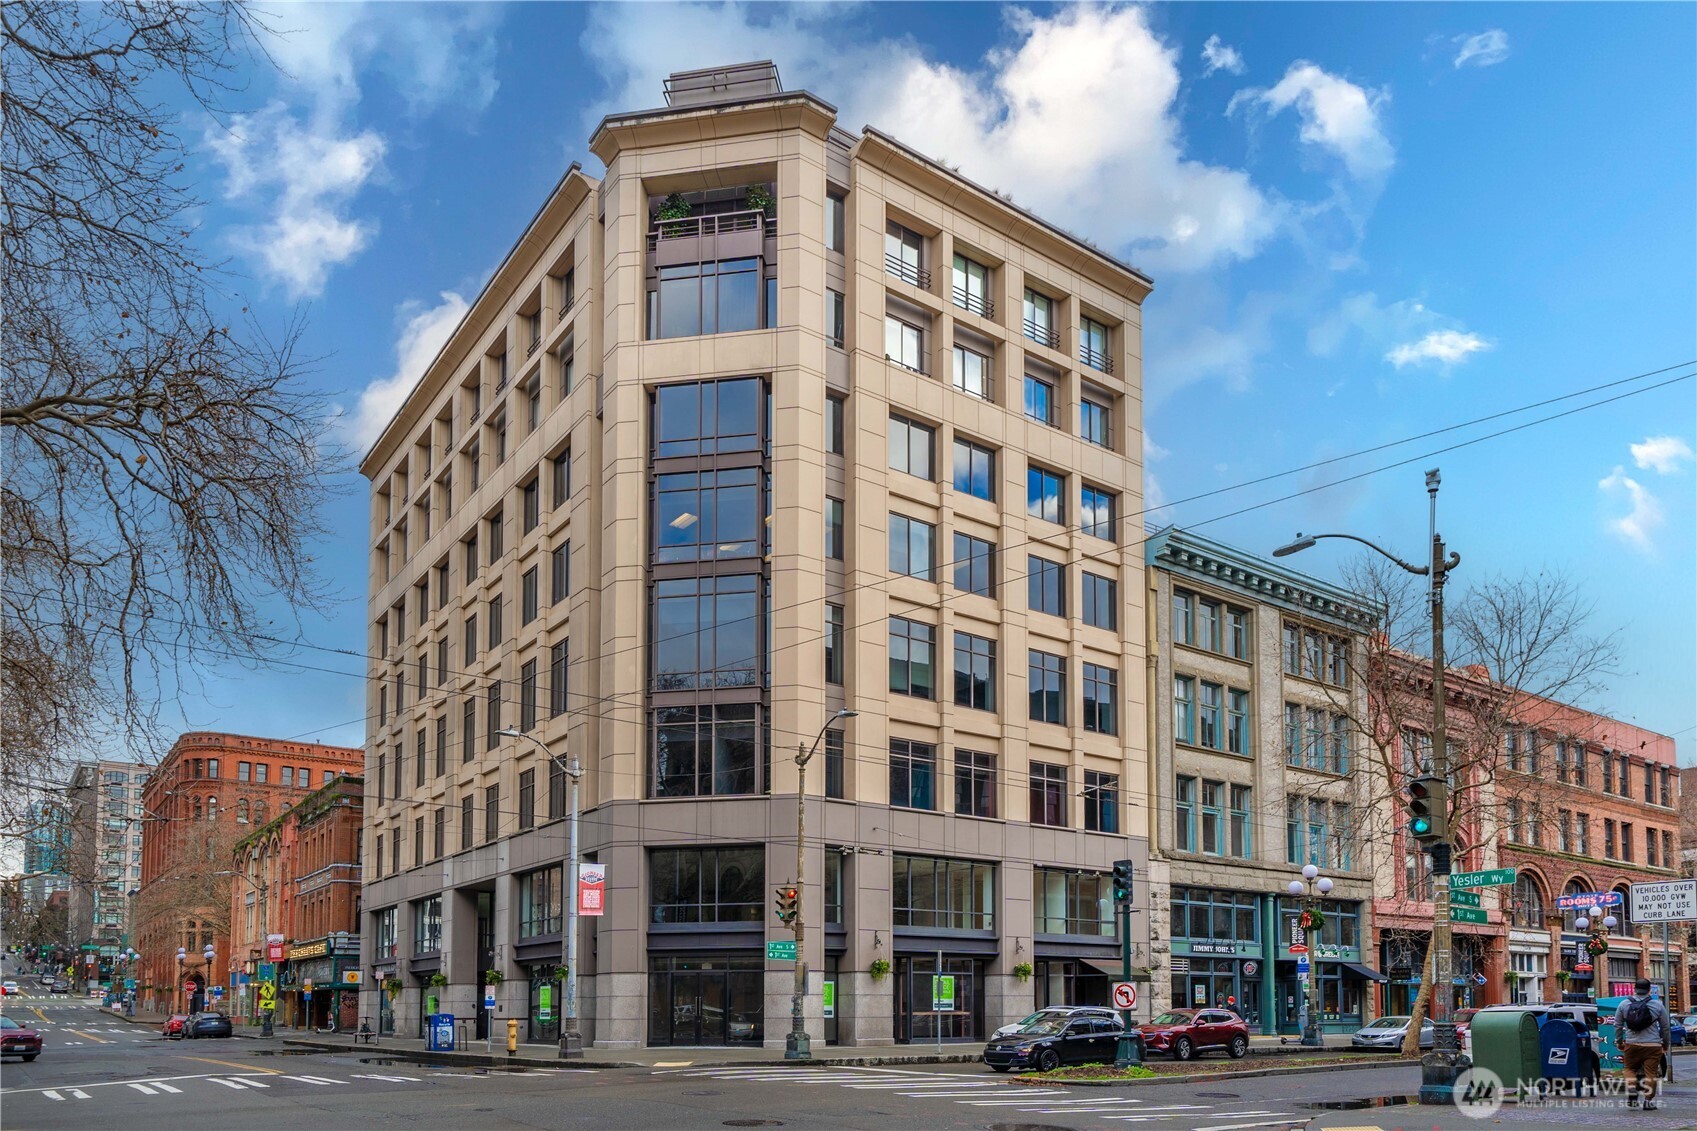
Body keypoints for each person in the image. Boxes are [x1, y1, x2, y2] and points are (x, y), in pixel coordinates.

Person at [1616, 978, 1672, 1110]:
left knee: (1629, 1068)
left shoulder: (1624, 1004)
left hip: (1632, 1043)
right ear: (1649, 990)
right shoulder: (1657, 1005)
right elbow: (1665, 1027)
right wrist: (1665, 1043)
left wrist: (1619, 1041)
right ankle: (1648, 1102)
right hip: (1652, 1046)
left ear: (1635, 989)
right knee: (1651, 1073)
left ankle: (1631, 1088)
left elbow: (1617, 1025)